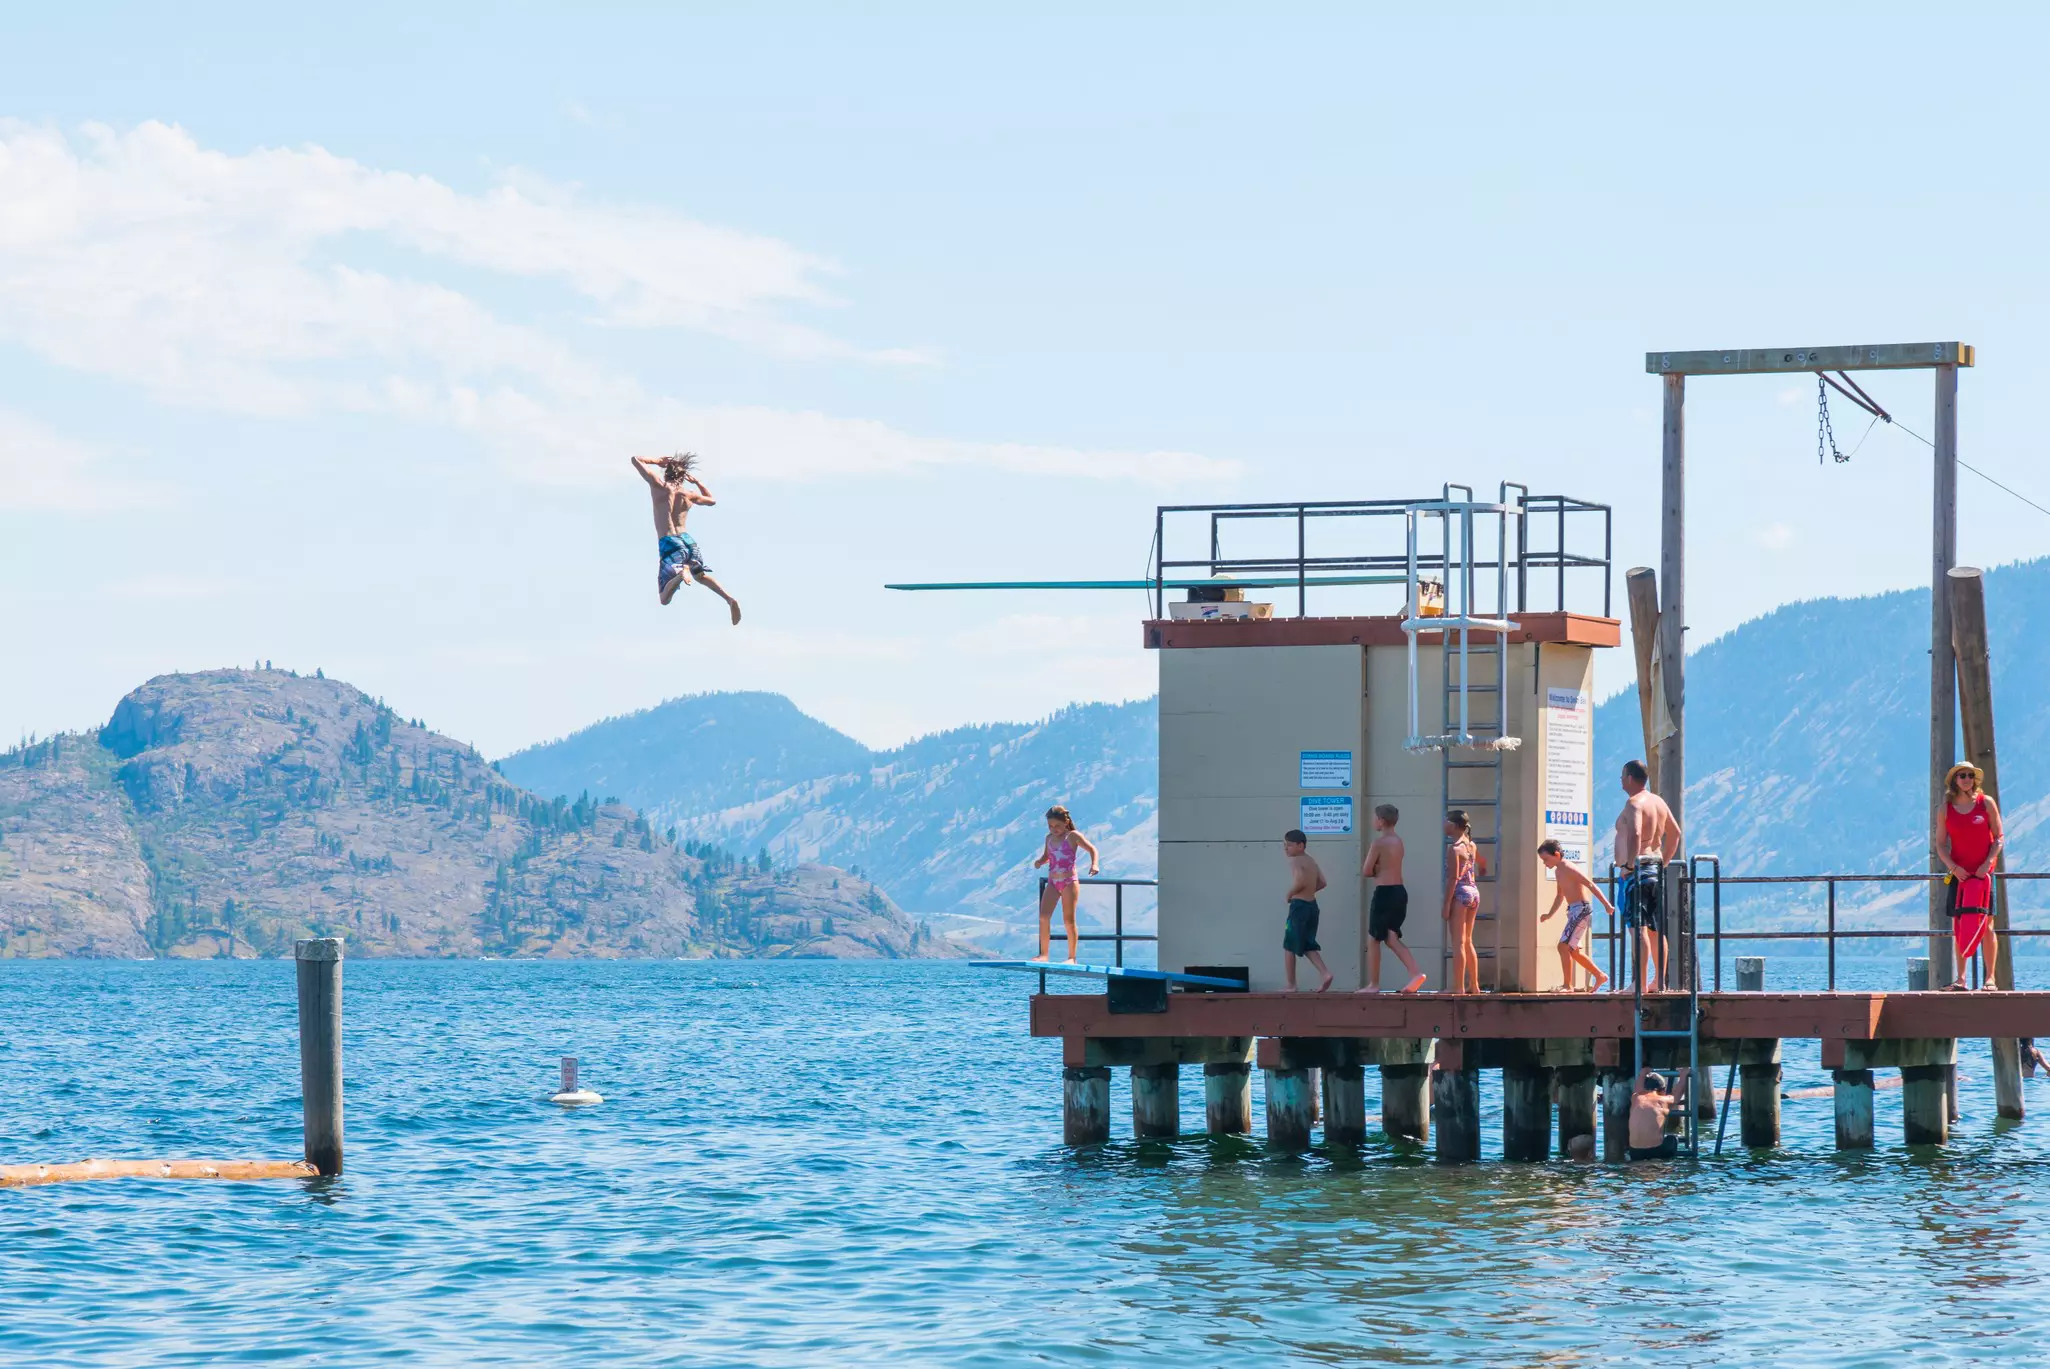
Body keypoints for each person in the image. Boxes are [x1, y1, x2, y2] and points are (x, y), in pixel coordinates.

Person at [631, 451, 742, 625]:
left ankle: (680, 574)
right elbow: (712, 500)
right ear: (683, 477)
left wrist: (657, 461)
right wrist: (697, 482)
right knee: (700, 576)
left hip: (670, 541)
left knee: (664, 598)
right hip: (688, 541)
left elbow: (635, 460)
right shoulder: (688, 494)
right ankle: (729, 599)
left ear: (666, 472)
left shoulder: (658, 485)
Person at [1613, 760, 1682, 992]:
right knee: (1655, 929)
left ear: (1630, 778)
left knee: (1637, 927)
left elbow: (1635, 832)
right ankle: (1658, 981)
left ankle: (1640, 984)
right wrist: (1665, 860)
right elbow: (1675, 833)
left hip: (1637, 872)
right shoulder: (1658, 802)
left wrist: (1629, 865)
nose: (1621, 781)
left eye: (1622, 776)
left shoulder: (1634, 803)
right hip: (1654, 868)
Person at [1936, 762, 2003, 992]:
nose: (1966, 779)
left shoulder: (1986, 803)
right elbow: (1940, 844)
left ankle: (1990, 978)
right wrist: (1953, 868)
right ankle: (1961, 978)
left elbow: (1999, 838)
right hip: (1959, 875)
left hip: (1983, 875)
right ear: (1954, 780)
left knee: (1987, 925)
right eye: (1961, 775)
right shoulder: (1946, 808)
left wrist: (1987, 863)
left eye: (1970, 775)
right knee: (1959, 924)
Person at [1359, 804, 1429, 994]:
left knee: (1373, 939)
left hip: (1384, 892)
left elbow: (1366, 870)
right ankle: (1415, 973)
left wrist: (1377, 869)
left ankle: (1373, 984)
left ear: (1381, 821)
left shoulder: (1378, 843)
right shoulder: (1398, 841)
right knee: (1391, 937)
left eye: (1375, 818)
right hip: (1399, 891)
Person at [1538, 838, 1613, 993]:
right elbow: (1560, 896)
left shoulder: (1569, 868)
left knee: (1563, 946)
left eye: (1546, 859)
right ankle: (1599, 976)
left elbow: (1590, 884)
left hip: (1582, 910)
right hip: (1573, 910)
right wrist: (1549, 915)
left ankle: (1568, 985)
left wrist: (1606, 904)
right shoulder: (1558, 871)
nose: (1545, 863)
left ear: (1557, 854)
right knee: (1573, 950)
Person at [1030, 805, 1099, 963]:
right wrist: (1040, 862)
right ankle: (1044, 954)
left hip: (1069, 882)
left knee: (1068, 919)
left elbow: (1092, 849)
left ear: (1066, 821)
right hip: (1053, 881)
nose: (1054, 829)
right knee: (1043, 916)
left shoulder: (1073, 836)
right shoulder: (1049, 838)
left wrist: (1094, 864)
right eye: (1051, 826)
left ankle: (1071, 957)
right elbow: (1047, 855)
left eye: (1058, 826)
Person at [1281, 829, 1333, 992]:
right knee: (1308, 943)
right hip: (1312, 906)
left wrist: (1290, 894)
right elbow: (1322, 882)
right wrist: (1309, 891)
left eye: (1289, 845)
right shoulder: (1311, 860)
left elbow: (1301, 880)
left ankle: (1291, 984)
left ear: (1300, 846)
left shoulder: (1295, 861)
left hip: (1299, 907)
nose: (1286, 849)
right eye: (1285, 845)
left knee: (1289, 944)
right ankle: (1325, 973)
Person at [1443, 809, 1482, 995]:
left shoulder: (1455, 848)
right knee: (1468, 941)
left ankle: (1458, 987)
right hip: (1474, 892)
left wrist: (1446, 904)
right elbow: (1481, 864)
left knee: (1458, 942)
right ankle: (1474, 985)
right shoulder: (1471, 845)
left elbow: (1453, 879)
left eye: (1446, 821)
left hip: (1460, 893)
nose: (1444, 824)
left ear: (1454, 825)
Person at [1627, 1069, 1686, 1161]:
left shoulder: (1636, 1098)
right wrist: (1683, 1076)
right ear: (1662, 1090)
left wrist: (1642, 1073)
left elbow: (1638, 1088)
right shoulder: (1662, 1100)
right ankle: (1665, 1163)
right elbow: (1676, 1096)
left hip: (1635, 1152)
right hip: (1655, 1151)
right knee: (1672, 1138)